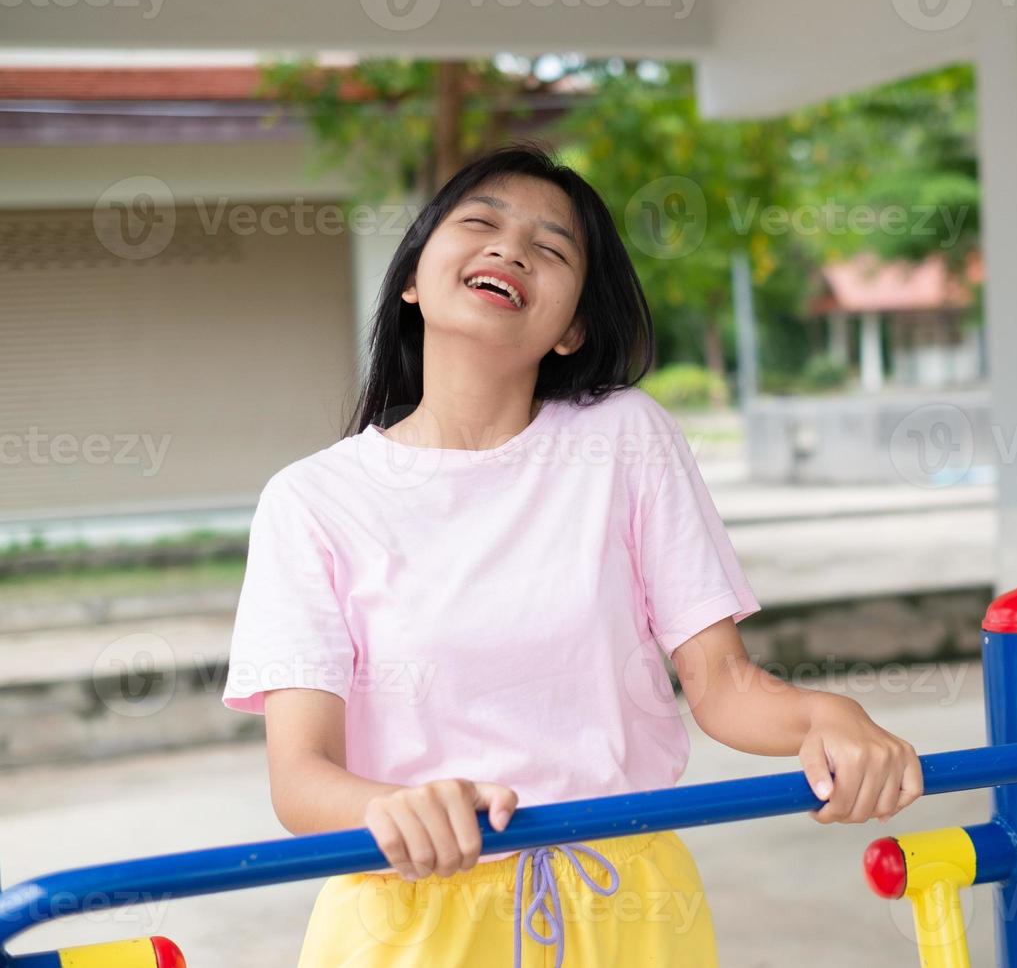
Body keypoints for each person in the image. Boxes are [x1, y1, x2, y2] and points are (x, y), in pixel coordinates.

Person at [219, 141, 924, 967]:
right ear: (411, 278)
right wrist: (395, 809)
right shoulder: (311, 501)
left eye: (550, 248)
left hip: (629, 904)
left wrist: (827, 718)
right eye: (480, 223)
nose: (510, 249)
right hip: (406, 920)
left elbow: (723, 686)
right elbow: (301, 778)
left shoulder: (626, 438)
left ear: (573, 327)